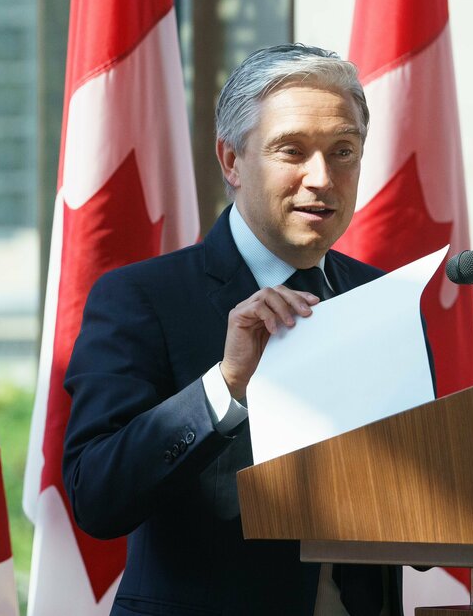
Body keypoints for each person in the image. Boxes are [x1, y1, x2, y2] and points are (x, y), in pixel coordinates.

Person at [62, 44, 406, 616]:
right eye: (291, 150)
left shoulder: (382, 297)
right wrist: (225, 387)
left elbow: (419, 499)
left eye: (343, 152)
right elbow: (97, 497)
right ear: (231, 160)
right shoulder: (141, 298)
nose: (321, 178)